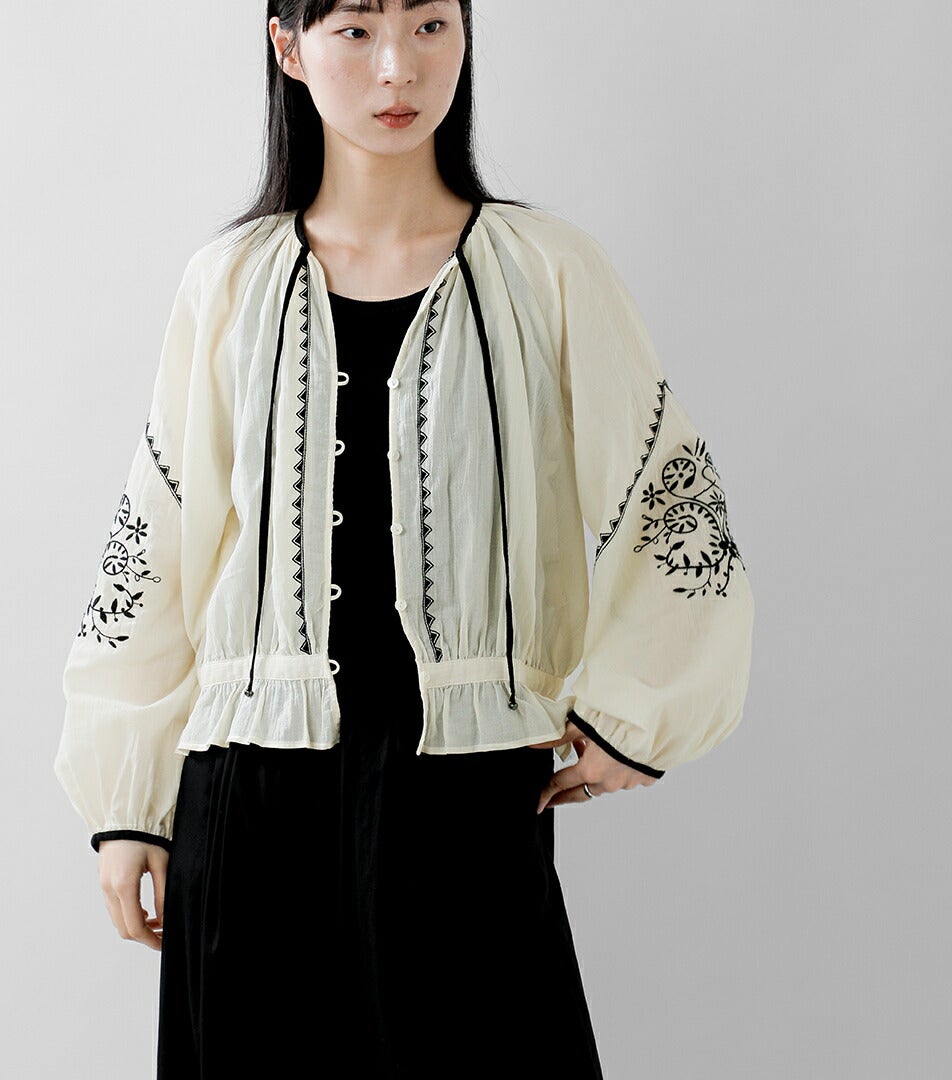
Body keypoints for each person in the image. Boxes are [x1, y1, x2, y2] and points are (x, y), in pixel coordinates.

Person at [53, 1, 756, 1076]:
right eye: (355, 30)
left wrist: (639, 712)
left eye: (431, 26)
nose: (398, 68)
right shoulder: (229, 282)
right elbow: (156, 543)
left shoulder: (546, 270)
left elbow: (669, 491)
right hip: (248, 799)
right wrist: (127, 807)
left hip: (465, 792)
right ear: (288, 47)